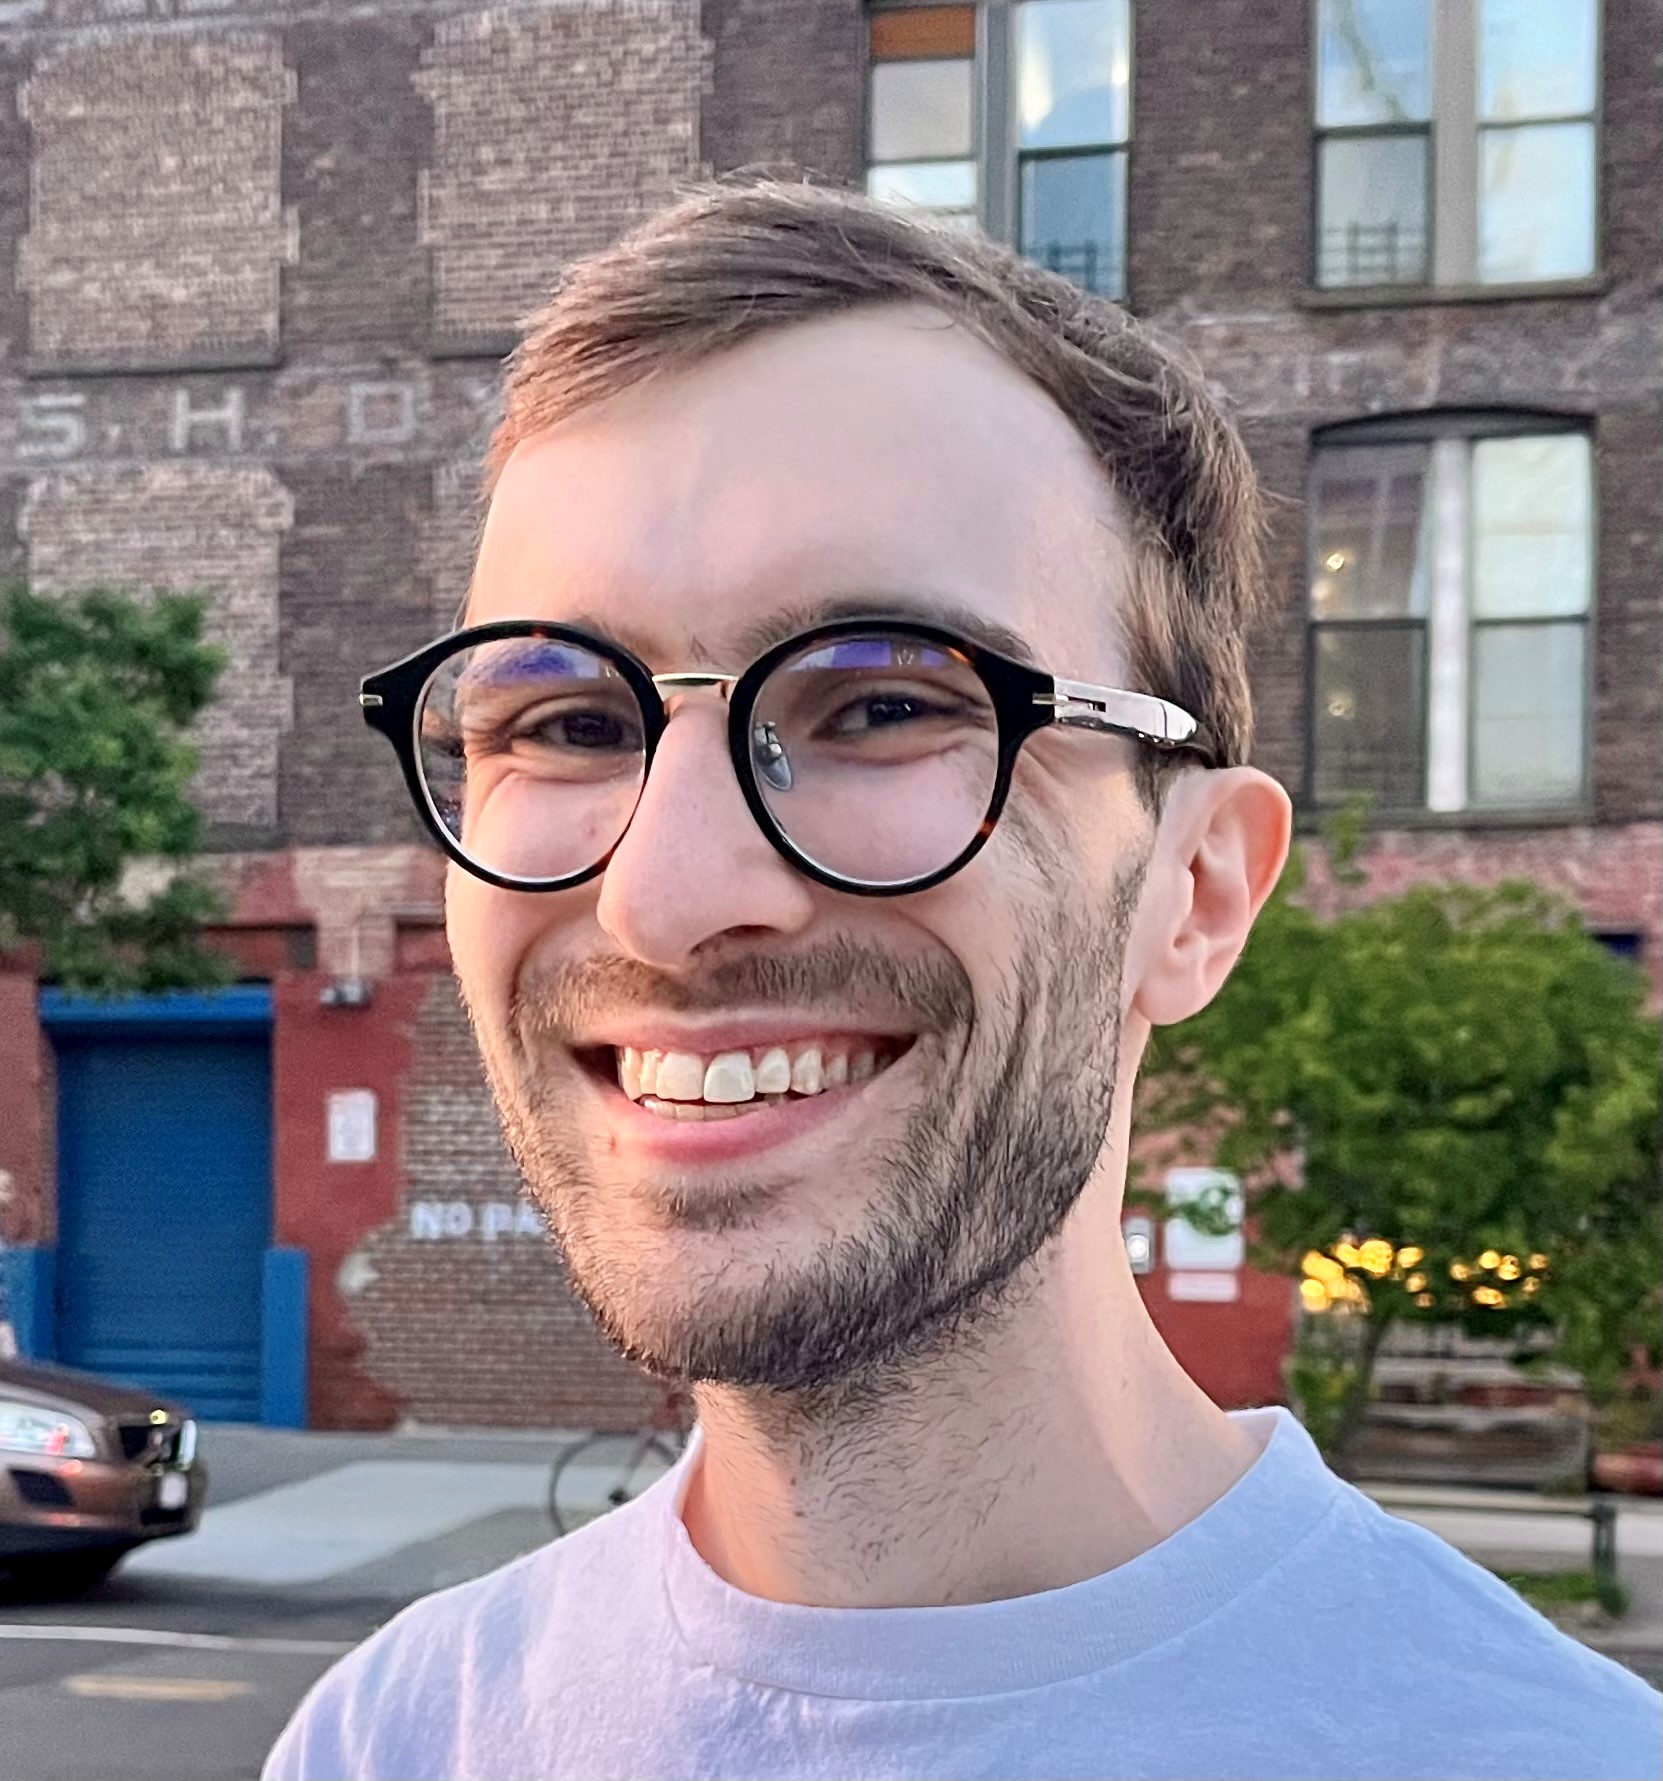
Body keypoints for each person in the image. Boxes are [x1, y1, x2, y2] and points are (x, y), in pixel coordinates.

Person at [265, 181, 1662, 1781]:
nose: (665, 896)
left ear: (1196, 895)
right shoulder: (393, 1739)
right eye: (567, 724)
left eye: (879, 705)